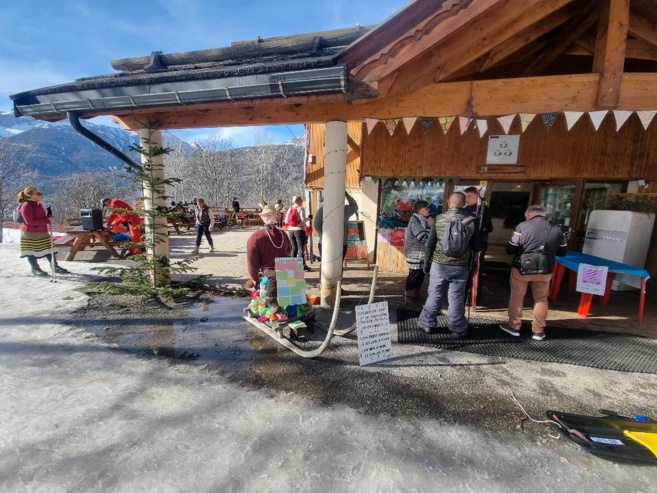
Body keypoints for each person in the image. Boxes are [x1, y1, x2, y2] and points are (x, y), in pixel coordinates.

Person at [499, 204, 567, 341]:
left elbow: (511, 249)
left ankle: (514, 327)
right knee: (541, 299)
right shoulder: (558, 228)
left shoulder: (522, 226)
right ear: (543, 213)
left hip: (522, 268)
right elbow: (562, 252)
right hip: (545, 268)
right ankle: (538, 331)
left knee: (517, 296)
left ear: (529, 213)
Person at [418, 192, 481, 339]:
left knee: (435, 294)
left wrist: (426, 263)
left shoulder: (440, 219)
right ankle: (457, 328)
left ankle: (427, 324)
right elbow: (477, 246)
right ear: (464, 203)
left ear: (449, 203)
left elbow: (430, 244)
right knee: (456, 297)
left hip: (439, 265)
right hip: (461, 266)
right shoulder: (472, 221)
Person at [245, 204, 291, 313]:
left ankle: (294, 300)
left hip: (284, 264)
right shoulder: (256, 238)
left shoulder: (283, 234)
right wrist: (255, 278)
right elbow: (252, 261)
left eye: (271, 215)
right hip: (268, 267)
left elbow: (289, 250)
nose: (268, 217)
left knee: (295, 270)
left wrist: (289, 264)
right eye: (266, 215)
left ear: (276, 216)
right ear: (262, 218)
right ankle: (271, 301)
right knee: (273, 276)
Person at [17, 186, 69, 277]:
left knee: (49, 249)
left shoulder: (38, 204)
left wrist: (48, 218)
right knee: (31, 251)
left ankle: (54, 266)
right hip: (30, 233)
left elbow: (40, 217)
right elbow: (29, 222)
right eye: (38, 193)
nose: (41, 195)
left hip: (41, 230)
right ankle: (35, 268)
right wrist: (47, 220)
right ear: (30, 195)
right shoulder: (26, 206)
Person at [313, 191, 358, 264]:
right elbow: (354, 207)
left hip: (326, 242)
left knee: (326, 265)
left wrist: (323, 236)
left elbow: (317, 224)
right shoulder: (344, 210)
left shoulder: (323, 209)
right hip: (340, 243)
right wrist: (347, 196)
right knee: (338, 265)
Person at [403, 200, 434, 302]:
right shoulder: (415, 221)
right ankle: (409, 297)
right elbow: (423, 238)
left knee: (420, 275)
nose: (429, 210)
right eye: (426, 208)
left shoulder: (422, 220)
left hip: (421, 254)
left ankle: (415, 296)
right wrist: (429, 226)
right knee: (414, 276)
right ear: (419, 210)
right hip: (414, 254)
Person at [286, 195, 312, 272]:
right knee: (301, 248)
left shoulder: (290, 208)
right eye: (301, 200)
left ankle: (292, 266)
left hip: (291, 230)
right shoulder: (300, 208)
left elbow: (286, 220)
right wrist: (309, 218)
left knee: (294, 248)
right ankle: (301, 266)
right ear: (299, 200)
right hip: (300, 230)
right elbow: (303, 219)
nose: (302, 201)